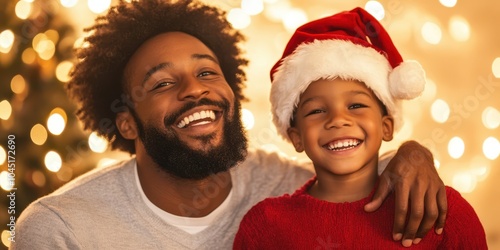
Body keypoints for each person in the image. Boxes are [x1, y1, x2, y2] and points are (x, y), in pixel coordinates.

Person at [12, 1, 447, 249]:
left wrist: (409, 154)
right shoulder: (61, 228)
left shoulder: (278, 187)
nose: (194, 91)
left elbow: (348, 170)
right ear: (125, 122)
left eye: (206, 73)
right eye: (162, 82)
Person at [233, 7, 487, 249]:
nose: (338, 120)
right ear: (296, 137)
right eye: (317, 111)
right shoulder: (265, 225)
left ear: (386, 126)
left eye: (355, 105)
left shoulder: (438, 209)